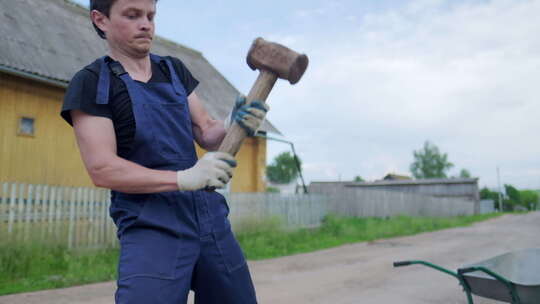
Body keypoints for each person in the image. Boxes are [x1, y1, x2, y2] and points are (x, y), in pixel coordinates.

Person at [60, 0, 268, 303]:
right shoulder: (91, 83)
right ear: (100, 20)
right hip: (151, 226)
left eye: (150, 16)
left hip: (208, 220)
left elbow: (206, 132)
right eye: (132, 15)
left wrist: (233, 123)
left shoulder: (172, 70)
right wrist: (183, 178)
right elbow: (102, 168)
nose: (145, 24)